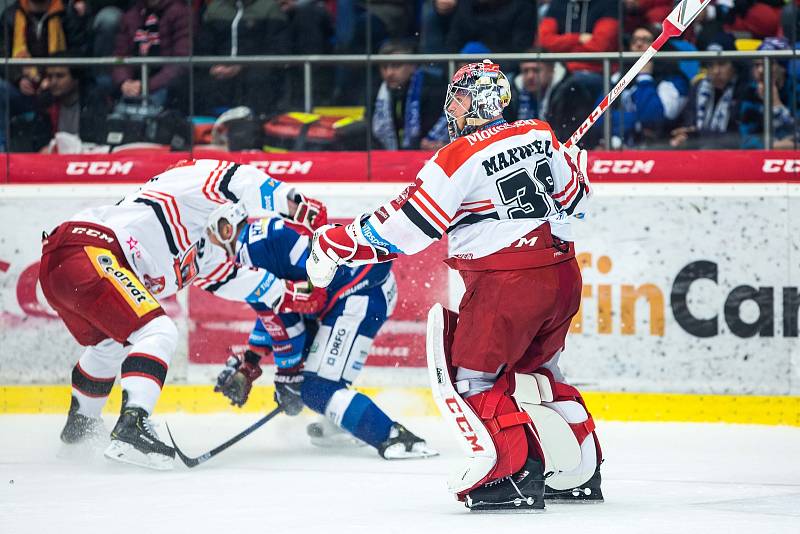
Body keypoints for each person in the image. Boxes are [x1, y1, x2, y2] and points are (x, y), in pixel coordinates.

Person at [306, 60, 602, 512]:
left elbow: (407, 226)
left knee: (473, 380)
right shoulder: (540, 133)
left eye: (460, 97)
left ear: (481, 99)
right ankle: (580, 472)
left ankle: (511, 477)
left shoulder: (458, 156)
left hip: (508, 282)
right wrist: (574, 166)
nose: (453, 107)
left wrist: (335, 242)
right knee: (540, 374)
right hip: (560, 275)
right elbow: (574, 205)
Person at [39, 159, 325, 470]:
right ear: (221, 214)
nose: (233, 239)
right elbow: (242, 178)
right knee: (159, 331)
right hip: (89, 251)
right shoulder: (186, 190)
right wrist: (294, 203)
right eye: (230, 228)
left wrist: (292, 295)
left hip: (65, 270)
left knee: (109, 345)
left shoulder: (208, 252)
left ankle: (79, 432)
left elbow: (237, 280)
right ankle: (132, 428)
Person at [206, 205, 438, 459]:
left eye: (210, 234)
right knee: (312, 375)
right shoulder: (255, 242)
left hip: (359, 294)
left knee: (316, 388)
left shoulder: (247, 256)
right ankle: (342, 424)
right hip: (359, 289)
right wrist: (252, 361)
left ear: (226, 228)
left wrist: (288, 375)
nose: (208, 243)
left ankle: (394, 437)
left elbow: (283, 318)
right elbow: (276, 311)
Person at [603, 26, 689, 148]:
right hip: (623, 147)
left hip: (663, 148)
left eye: (646, 40)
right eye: (634, 40)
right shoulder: (618, 77)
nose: (638, 44)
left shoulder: (675, 80)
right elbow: (600, 118)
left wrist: (644, 77)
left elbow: (652, 119)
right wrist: (636, 122)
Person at [371, 39, 445, 150]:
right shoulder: (376, 90)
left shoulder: (433, 87)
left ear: (412, 66)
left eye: (396, 66)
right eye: (384, 67)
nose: (389, 73)